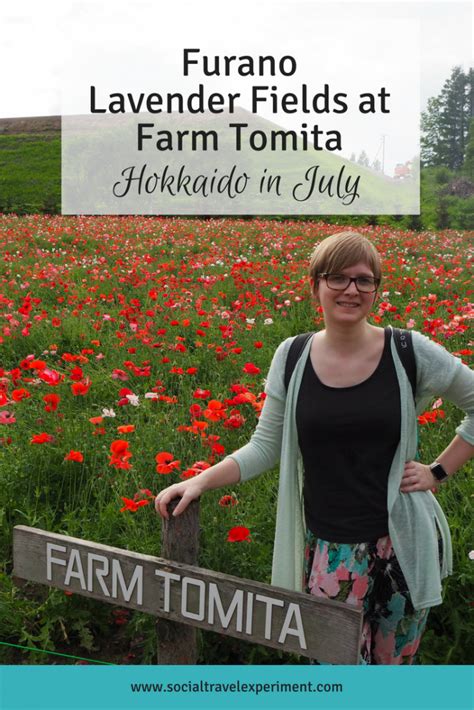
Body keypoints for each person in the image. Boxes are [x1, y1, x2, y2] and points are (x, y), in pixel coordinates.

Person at [155, 231, 474, 664]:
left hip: (404, 545)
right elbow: (264, 446)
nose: (351, 290)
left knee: (393, 671)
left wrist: (439, 470)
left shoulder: (407, 351)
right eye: (337, 278)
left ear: (376, 290)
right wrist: (200, 481)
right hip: (331, 547)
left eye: (364, 280)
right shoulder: (293, 356)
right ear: (315, 287)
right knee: (334, 667)